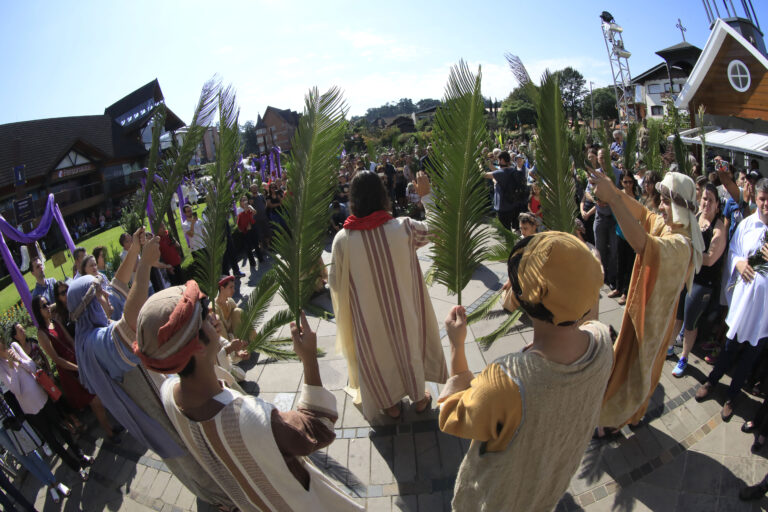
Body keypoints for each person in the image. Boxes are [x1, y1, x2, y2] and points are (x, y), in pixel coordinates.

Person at [133, 282, 364, 512]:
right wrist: (309, 358)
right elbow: (317, 428)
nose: (212, 318)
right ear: (197, 347)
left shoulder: (168, 393)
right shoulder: (252, 420)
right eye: (203, 315)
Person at [438, 232, 613, 511]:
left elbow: (452, 415)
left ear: (522, 298)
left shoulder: (508, 383)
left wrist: (457, 346)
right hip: (548, 490)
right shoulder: (603, 342)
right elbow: (589, 318)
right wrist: (583, 274)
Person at [67, 228, 234, 509]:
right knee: (191, 460)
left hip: (162, 404)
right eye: (100, 296)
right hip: (159, 417)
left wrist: (135, 249)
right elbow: (130, 327)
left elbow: (119, 286)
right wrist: (144, 264)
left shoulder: (89, 331)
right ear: (89, 305)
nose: (107, 298)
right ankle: (225, 502)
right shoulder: (95, 343)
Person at [588, 169, 703, 430]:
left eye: (665, 201)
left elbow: (642, 244)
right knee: (637, 375)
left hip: (651, 327)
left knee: (633, 377)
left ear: (679, 205)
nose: (660, 206)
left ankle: (613, 420)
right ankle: (631, 416)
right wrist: (614, 190)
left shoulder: (681, 244)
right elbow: (643, 214)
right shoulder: (671, 226)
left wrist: (615, 200)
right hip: (642, 314)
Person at [329, 171, 447, 420]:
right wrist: (427, 197)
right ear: (382, 196)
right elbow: (437, 229)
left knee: (377, 355)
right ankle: (419, 398)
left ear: (354, 200)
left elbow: (335, 285)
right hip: (406, 312)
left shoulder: (342, 239)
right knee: (408, 347)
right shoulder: (403, 227)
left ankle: (390, 405)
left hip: (368, 319)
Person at [695, 178, 768, 421]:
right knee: (729, 347)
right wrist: (740, 262)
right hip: (745, 301)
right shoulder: (747, 224)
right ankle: (712, 381)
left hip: (764, 310)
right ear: (756, 199)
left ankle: (733, 396)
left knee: (749, 356)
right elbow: (734, 251)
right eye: (762, 199)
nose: (766, 204)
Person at [0, 337, 93, 482]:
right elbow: (16, 390)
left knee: (63, 428)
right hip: (31, 411)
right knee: (53, 440)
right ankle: (76, 467)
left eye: (2, 344)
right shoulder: (1, 367)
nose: (3, 349)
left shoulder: (15, 346)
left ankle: (80, 454)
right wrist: (12, 367)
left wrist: (18, 360)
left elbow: (32, 366)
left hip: (43, 398)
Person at [31, 296, 120, 441]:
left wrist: (82, 357)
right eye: (43, 306)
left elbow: (72, 341)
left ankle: (111, 427)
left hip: (78, 361)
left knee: (99, 397)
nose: (47, 307)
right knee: (95, 400)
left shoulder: (55, 322)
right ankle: (109, 432)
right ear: (38, 311)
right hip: (70, 372)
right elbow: (56, 359)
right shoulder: (42, 333)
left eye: (47, 303)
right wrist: (78, 368)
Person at [667, 183, 726, 376]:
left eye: (711, 200)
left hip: (703, 282)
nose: (706, 203)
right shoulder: (697, 218)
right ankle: (669, 347)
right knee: (678, 314)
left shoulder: (719, 228)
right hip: (688, 275)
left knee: (690, 321)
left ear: (717, 204)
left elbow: (709, 260)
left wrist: (689, 250)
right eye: (704, 199)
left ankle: (684, 358)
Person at [0, 393, 70, 504]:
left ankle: (54, 481)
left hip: (7, 417)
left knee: (30, 451)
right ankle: (49, 485)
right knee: (22, 457)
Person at [483, 151, 528, 230]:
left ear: (502, 160)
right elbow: (496, 171)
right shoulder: (514, 171)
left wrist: (480, 165)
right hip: (514, 205)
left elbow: (484, 174)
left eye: (498, 159)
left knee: (505, 232)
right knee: (515, 229)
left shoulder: (500, 173)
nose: (498, 161)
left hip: (503, 207)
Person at [236, 196, 265, 269]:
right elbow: (240, 220)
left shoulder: (249, 206)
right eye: (243, 200)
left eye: (245, 199)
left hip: (252, 227)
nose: (244, 201)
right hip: (245, 230)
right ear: (240, 202)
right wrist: (245, 210)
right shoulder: (239, 210)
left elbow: (254, 212)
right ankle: (252, 262)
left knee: (256, 244)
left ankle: (260, 259)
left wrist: (250, 208)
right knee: (248, 247)